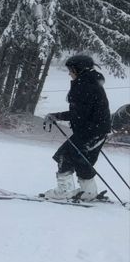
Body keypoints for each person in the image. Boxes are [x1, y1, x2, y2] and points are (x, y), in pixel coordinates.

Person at [40, 54, 111, 200]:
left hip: (89, 131)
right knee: (83, 160)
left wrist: (56, 116)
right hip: (98, 130)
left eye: (70, 70)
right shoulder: (92, 82)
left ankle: (64, 191)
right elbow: (84, 111)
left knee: (64, 155)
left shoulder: (83, 85)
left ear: (78, 69)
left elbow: (79, 114)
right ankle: (89, 192)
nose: (69, 73)